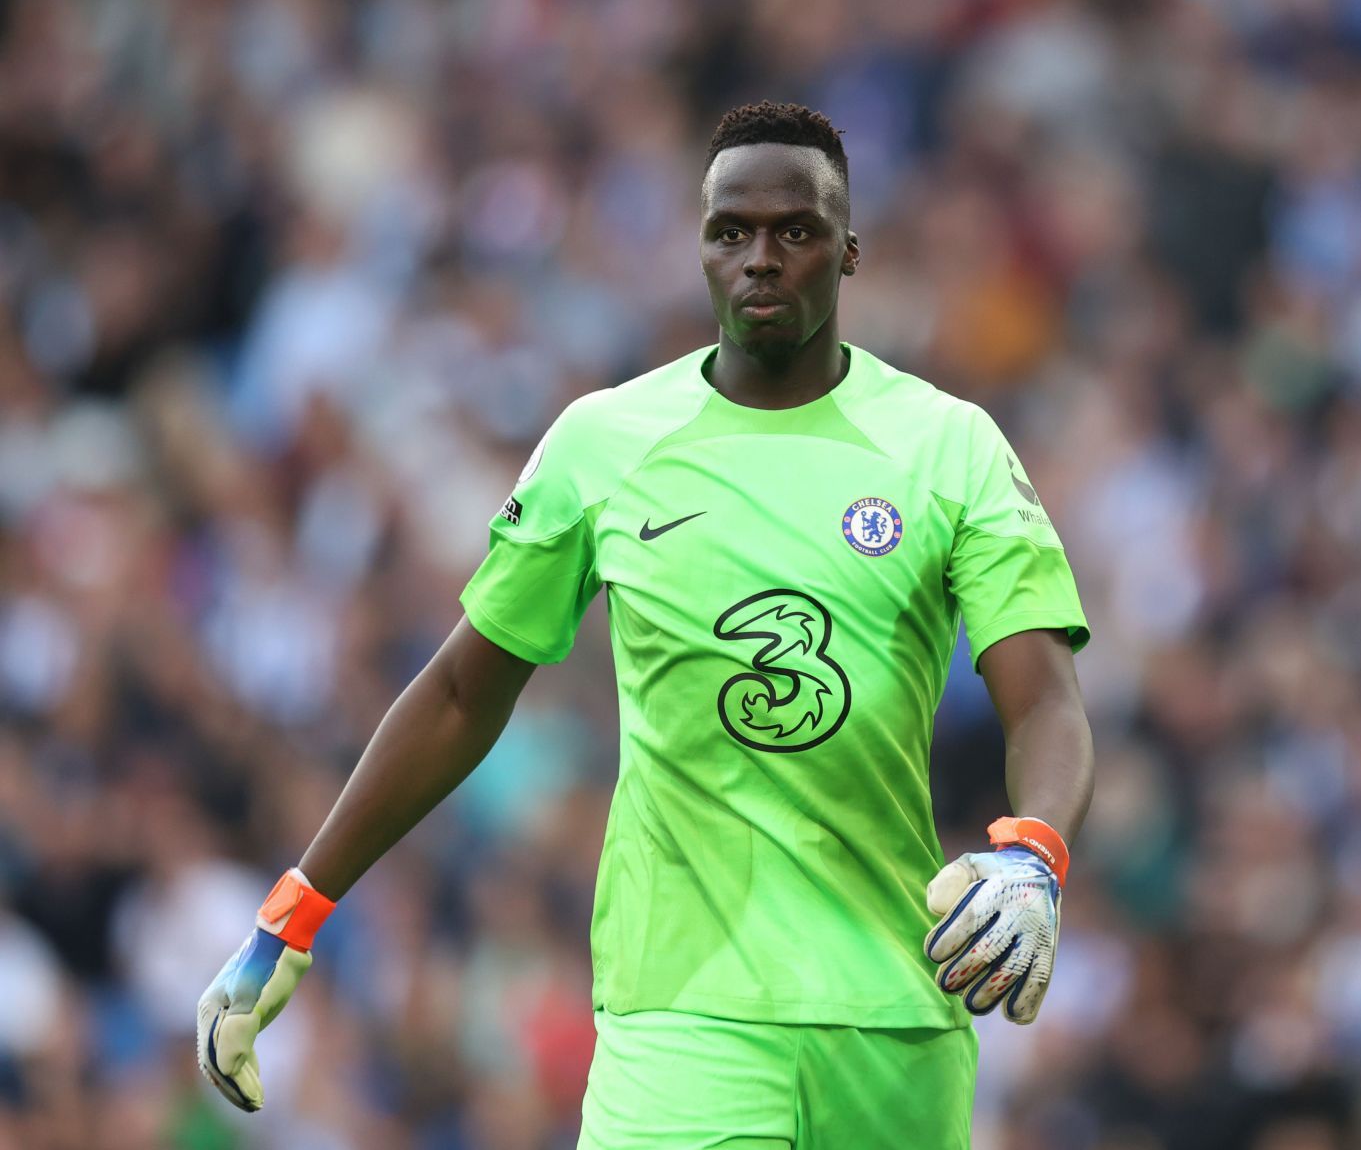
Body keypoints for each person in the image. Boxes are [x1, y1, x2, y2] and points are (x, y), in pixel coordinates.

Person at [193, 101, 1097, 1148]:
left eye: (794, 231)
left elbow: (1046, 699)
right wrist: (297, 909)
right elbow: (458, 692)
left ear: (848, 251)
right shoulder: (604, 444)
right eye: (731, 231)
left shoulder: (950, 448)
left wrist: (1034, 853)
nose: (761, 258)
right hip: (681, 1014)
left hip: (896, 1011)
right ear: (702, 248)